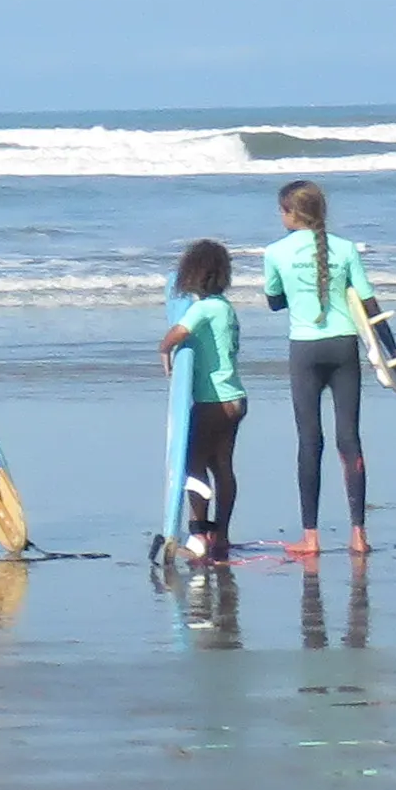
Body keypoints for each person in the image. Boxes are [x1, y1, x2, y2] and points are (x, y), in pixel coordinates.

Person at [259, 180, 380, 563]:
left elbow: (274, 302)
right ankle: (358, 534)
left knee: (310, 442)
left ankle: (310, 537)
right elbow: (370, 304)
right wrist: (390, 354)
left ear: (291, 213)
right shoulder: (345, 249)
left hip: (305, 350)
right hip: (345, 347)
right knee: (350, 439)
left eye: (282, 210)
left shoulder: (275, 252)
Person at [160, 238, 245, 561]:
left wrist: (163, 348)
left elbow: (179, 332)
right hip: (235, 398)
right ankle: (221, 534)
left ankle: (198, 536)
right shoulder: (225, 308)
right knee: (222, 465)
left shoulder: (203, 309)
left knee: (193, 464)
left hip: (211, 402)